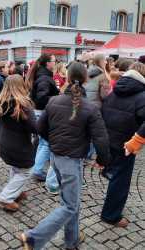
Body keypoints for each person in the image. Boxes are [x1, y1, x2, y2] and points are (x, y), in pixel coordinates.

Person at [19, 62, 110, 250]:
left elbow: (40, 129)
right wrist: (103, 160)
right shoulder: (90, 107)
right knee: (70, 205)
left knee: (71, 201)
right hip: (70, 161)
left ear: (67, 78)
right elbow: (101, 139)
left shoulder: (54, 101)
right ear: (85, 79)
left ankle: (72, 240)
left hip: (56, 157)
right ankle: (33, 238)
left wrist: (54, 143)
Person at [101, 62, 145, 228]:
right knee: (121, 180)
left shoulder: (115, 90)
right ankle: (110, 215)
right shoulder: (142, 95)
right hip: (126, 144)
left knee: (115, 174)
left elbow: (103, 111)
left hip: (110, 139)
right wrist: (137, 140)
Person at [0, 74, 36, 212]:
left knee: (15, 168)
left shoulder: (1, 102)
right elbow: (34, 127)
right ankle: (5, 197)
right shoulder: (24, 105)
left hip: (5, 143)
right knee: (26, 171)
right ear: (21, 86)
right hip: (20, 146)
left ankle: (17, 192)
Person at [27, 54, 59, 194]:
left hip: (39, 113)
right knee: (45, 144)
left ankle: (37, 169)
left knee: (42, 143)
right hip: (42, 113)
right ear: (47, 63)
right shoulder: (44, 78)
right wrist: (58, 98)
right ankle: (38, 171)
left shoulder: (43, 75)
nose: (55, 62)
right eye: (54, 60)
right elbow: (41, 98)